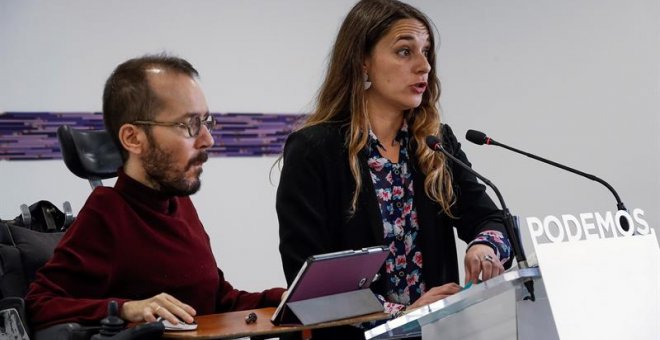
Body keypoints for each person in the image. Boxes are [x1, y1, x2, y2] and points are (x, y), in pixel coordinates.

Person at [276, 0, 512, 337]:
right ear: (363, 63)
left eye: (426, 52)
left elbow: (493, 219)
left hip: (440, 332)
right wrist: (404, 315)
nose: (424, 66)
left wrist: (484, 246)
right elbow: (312, 288)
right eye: (405, 52)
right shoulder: (314, 149)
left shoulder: (434, 142)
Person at [26, 55, 285, 330]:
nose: (208, 139)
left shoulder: (179, 204)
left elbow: (216, 301)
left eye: (206, 122)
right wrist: (127, 309)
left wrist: (282, 297)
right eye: (189, 125)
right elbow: (39, 303)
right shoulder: (107, 211)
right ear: (133, 139)